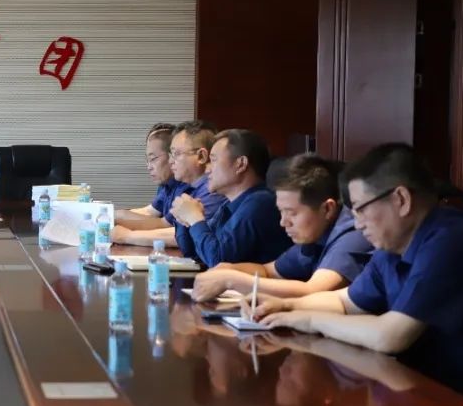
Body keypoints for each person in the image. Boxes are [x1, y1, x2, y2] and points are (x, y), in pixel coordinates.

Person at [255, 143, 463, 401]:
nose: (358, 224)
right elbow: (345, 301)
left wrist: (308, 320)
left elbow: (390, 335)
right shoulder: (392, 247)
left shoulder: (451, 240)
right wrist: (286, 306)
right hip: (420, 391)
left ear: (401, 200)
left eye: (361, 209)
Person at [192, 154, 372, 300]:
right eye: (281, 212)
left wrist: (231, 280)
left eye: (292, 213)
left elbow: (313, 291)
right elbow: (268, 271)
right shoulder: (315, 232)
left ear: (327, 209)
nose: (283, 222)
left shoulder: (354, 233)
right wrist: (230, 268)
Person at [171, 129, 292, 267]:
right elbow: (193, 254)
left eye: (213, 160)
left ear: (241, 164)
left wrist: (195, 219)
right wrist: (185, 220)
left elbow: (218, 261)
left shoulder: (259, 203)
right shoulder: (230, 204)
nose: (207, 169)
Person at [112, 119, 226, 247]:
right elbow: (166, 223)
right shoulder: (194, 187)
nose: (171, 161)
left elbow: (184, 236)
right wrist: (114, 221)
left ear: (201, 156)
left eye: (176, 154)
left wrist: (127, 236)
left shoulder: (211, 191)